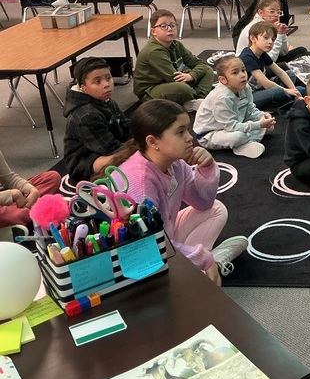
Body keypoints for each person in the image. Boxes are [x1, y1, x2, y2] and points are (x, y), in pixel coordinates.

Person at [116, 99, 249, 285]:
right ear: (152, 141)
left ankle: (197, 266)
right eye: (180, 132)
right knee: (191, 281)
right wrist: (205, 259)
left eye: (187, 129)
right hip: (141, 257)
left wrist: (207, 167)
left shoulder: (175, 163)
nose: (189, 137)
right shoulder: (140, 182)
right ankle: (205, 266)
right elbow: (151, 245)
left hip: (164, 235)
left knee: (216, 210)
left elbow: (203, 203)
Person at [193, 55, 277, 159]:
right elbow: (231, 127)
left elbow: (250, 110)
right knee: (238, 136)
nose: (242, 75)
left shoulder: (245, 87)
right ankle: (245, 143)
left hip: (235, 123)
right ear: (223, 80)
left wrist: (262, 117)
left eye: (243, 70)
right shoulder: (222, 98)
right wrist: (259, 125)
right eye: (235, 73)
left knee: (263, 118)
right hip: (210, 134)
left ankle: (248, 142)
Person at [63, 57, 131, 183]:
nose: (106, 84)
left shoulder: (105, 100)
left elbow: (127, 126)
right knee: (123, 158)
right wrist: (140, 148)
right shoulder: (86, 116)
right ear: (84, 88)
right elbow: (110, 149)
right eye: (97, 81)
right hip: (83, 164)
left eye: (108, 78)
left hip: (103, 148)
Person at [133, 9, 215, 111]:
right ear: (153, 31)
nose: (169, 29)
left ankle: (195, 100)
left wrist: (191, 75)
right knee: (183, 89)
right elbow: (174, 78)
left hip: (172, 82)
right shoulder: (154, 51)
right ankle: (195, 98)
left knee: (208, 71)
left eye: (172, 25)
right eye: (163, 26)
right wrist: (192, 78)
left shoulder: (176, 45)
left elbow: (200, 64)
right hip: (150, 90)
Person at [239, 22, 304, 110]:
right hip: (249, 96)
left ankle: (284, 99)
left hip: (260, 88)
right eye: (266, 38)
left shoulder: (262, 53)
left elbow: (280, 72)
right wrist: (288, 91)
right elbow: (266, 84)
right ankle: (280, 102)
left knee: (290, 74)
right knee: (278, 91)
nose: (270, 42)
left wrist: (295, 91)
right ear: (253, 38)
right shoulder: (247, 57)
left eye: (273, 39)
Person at [0, 150, 60, 228]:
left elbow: (9, 178)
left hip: (9, 199)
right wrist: (11, 194)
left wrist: (31, 190)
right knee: (11, 215)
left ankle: (24, 213)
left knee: (52, 177)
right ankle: (33, 211)